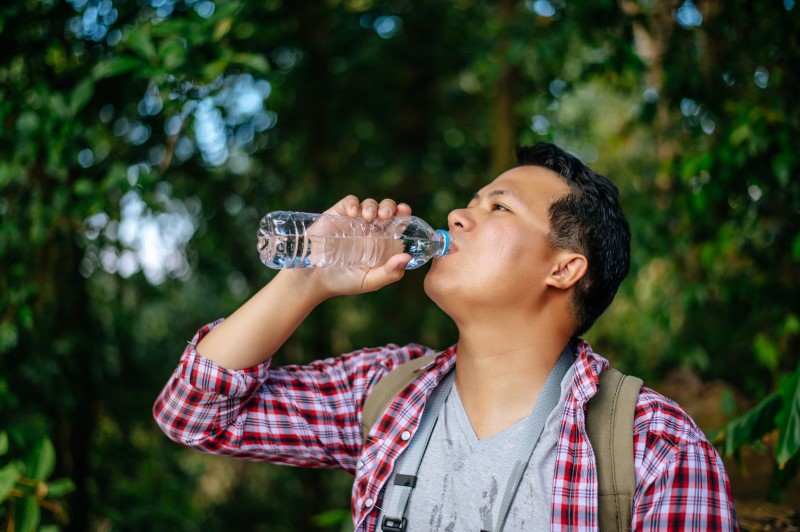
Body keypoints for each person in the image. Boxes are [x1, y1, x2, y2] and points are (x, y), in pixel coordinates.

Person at [154, 142, 738, 531]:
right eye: (471, 201)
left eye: (499, 208)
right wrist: (306, 281)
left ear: (563, 269)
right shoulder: (388, 392)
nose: (459, 215)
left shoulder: (655, 449)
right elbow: (195, 413)